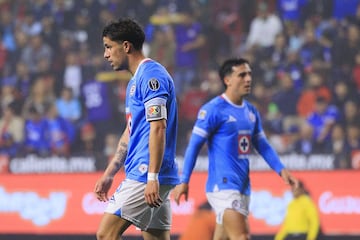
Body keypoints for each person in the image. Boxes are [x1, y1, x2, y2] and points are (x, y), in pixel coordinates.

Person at [173, 58, 299, 240]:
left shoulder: (251, 111)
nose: (248, 79)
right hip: (223, 185)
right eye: (242, 75)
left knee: (222, 237)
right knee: (241, 236)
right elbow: (194, 145)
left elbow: (262, 144)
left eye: (249, 74)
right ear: (227, 80)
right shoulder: (213, 110)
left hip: (242, 186)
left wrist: (281, 169)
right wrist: (184, 180)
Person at [94, 18, 179, 240]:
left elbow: (158, 127)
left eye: (108, 47)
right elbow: (131, 130)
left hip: (145, 173)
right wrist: (110, 172)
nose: (106, 54)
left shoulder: (152, 77)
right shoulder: (135, 82)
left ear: (126, 46)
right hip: (151, 173)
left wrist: (152, 177)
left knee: (106, 234)